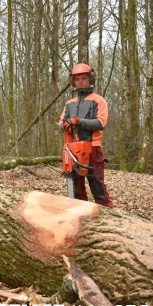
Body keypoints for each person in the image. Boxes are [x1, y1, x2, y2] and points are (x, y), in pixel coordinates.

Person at [59, 63, 113, 208]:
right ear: (73, 81)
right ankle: (80, 213)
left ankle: (106, 214)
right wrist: (67, 125)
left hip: (92, 148)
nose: (80, 81)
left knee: (97, 184)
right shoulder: (69, 103)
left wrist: (78, 121)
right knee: (76, 185)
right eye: (77, 79)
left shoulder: (98, 100)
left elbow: (100, 122)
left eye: (83, 78)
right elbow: (61, 124)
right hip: (73, 149)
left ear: (90, 79)